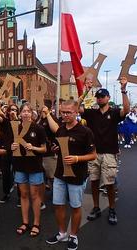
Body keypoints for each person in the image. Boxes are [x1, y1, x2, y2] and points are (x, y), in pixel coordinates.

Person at [44, 100, 96, 250]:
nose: (65, 115)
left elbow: (93, 155)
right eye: (63, 112)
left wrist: (77, 158)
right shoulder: (61, 130)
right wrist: (56, 150)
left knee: (75, 207)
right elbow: (60, 148)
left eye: (68, 112)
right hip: (60, 175)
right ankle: (62, 233)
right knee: (58, 205)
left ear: (76, 112)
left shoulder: (85, 132)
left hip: (77, 176)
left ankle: (73, 235)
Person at [79, 76, 130, 225]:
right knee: (94, 182)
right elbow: (77, 108)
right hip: (94, 153)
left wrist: (123, 90)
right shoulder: (92, 113)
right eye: (98, 97)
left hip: (109, 153)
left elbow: (126, 109)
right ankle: (96, 207)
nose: (100, 99)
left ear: (108, 98)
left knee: (109, 183)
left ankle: (112, 208)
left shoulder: (114, 112)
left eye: (102, 96)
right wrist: (86, 91)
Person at [11, 103, 47, 237]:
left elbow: (44, 149)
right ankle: (25, 222)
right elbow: (11, 146)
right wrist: (12, 146)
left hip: (35, 167)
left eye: (28, 111)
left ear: (32, 113)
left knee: (34, 195)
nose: (25, 113)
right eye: (23, 111)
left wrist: (34, 148)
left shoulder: (38, 128)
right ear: (20, 114)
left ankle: (36, 223)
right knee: (24, 195)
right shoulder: (16, 128)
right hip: (20, 166)